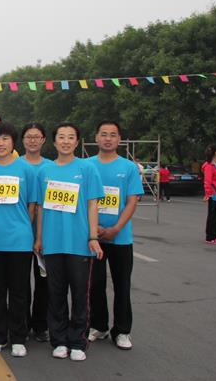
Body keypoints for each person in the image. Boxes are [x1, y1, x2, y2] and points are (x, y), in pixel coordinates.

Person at [35, 122, 104, 362]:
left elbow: (93, 205)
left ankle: (77, 341)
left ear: (77, 141)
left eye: (70, 137)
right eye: (61, 137)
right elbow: (41, 208)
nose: (65, 141)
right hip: (53, 243)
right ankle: (59, 340)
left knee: (80, 294)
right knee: (55, 294)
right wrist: (39, 238)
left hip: (79, 244)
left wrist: (93, 237)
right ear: (54, 142)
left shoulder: (87, 169)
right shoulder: (45, 171)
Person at [0, 122, 38, 357]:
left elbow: (32, 205)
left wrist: (23, 227)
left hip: (19, 240)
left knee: (19, 291)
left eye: (5, 139)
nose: (0, 144)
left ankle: (19, 337)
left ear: (13, 142)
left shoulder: (26, 169)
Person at [87, 121, 144, 351]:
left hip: (120, 238)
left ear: (119, 139)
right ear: (96, 138)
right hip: (93, 238)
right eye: (104, 134)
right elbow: (84, 201)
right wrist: (94, 229)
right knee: (94, 285)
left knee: (122, 285)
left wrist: (116, 229)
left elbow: (132, 201)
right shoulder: (87, 165)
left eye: (112, 135)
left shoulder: (129, 168)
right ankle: (98, 326)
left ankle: (122, 331)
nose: (108, 138)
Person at [20, 123, 53, 343]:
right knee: (21, 283)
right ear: (22, 140)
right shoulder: (14, 165)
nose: (32, 140)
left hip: (46, 233)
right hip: (20, 235)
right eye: (28, 136)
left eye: (37, 137)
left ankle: (41, 325)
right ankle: (22, 323)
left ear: (43, 140)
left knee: (44, 281)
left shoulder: (52, 167)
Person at [202, 145, 216, 244]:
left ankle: (213, 236)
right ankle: (210, 237)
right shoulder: (209, 166)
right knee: (213, 216)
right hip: (214, 195)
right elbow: (207, 181)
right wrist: (207, 194)